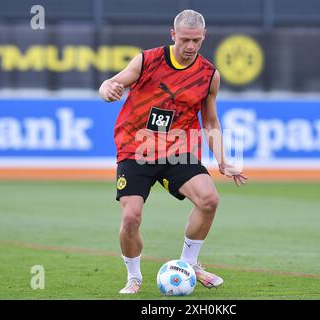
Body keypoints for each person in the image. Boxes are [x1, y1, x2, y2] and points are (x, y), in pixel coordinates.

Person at [99, 9, 247, 294]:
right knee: (131, 217)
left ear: (204, 37)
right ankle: (134, 277)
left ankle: (188, 263)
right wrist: (107, 90)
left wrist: (223, 161)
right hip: (135, 147)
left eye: (196, 40)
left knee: (209, 199)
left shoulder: (209, 75)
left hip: (177, 149)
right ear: (173, 35)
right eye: (184, 40)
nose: (190, 46)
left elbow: (212, 121)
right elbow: (112, 83)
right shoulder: (147, 60)